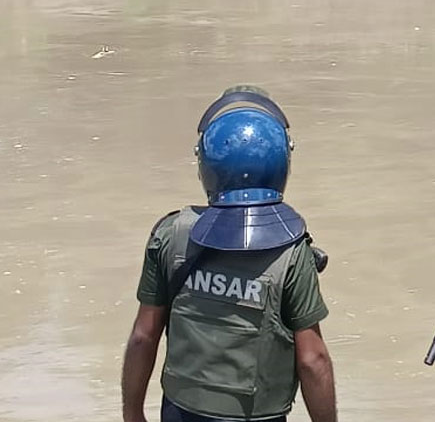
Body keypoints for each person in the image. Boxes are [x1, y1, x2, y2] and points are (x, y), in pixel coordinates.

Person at [121, 86, 337, 422]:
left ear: (206, 166)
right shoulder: (293, 252)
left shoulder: (170, 235)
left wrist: (132, 412)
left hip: (180, 411)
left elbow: (143, 336)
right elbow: (313, 361)